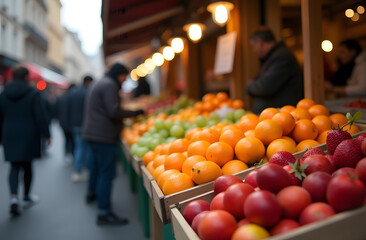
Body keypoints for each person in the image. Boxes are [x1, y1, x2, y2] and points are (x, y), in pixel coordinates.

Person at [82, 63, 144, 226]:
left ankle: (91, 194)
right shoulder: (109, 85)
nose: (124, 81)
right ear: (119, 74)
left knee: (96, 166)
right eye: (124, 76)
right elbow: (113, 111)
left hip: (92, 132)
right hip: (103, 135)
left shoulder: (100, 82)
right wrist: (135, 113)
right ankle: (104, 212)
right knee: (106, 173)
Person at [0, 64, 51, 216]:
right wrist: (47, 134)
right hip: (29, 134)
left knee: (14, 166)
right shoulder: (33, 93)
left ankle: (13, 197)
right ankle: (26, 197)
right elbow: (40, 117)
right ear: (27, 77)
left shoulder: (3, 94)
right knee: (27, 166)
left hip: (9, 133)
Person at [246, 27, 303, 114]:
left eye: (253, 46)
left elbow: (265, 86)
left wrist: (249, 85)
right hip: (275, 116)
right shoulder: (274, 57)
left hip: (282, 117)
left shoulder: (281, 57)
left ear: (260, 42)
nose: (254, 50)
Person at [68, 76, 93, 182]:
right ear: (88, 82)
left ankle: (77, 170)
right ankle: (85, 169)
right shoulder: (88, 92)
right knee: (86, 148)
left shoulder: (74, 93)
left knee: (79, 147)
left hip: (75, 124)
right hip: (85, 124)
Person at [55, 84, 75, 165]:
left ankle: (67, 154)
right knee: (73, 140)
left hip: (63, 123)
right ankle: (72, 154)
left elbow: (56, 110)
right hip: (72, 123)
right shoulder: (73, 98)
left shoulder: (61, 98)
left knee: (66, 139)